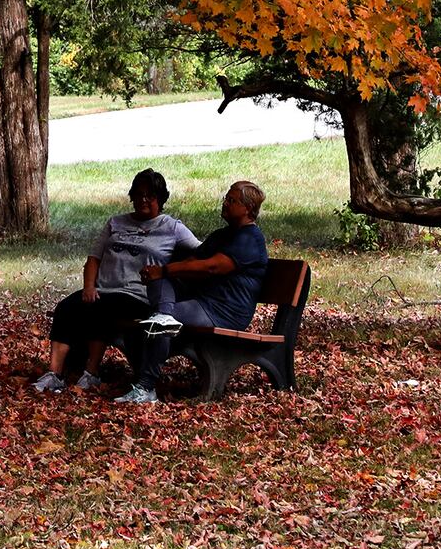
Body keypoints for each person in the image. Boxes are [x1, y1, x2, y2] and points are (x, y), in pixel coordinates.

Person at [30, 168, 200, 393]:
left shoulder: (172, 228)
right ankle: (55, 373)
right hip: (103, 290)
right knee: (66, 308)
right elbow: (94, 258)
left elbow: (201, 251)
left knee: (101, 310)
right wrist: (89, 286)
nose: (143, 200)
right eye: (138, 194)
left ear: (161, 198)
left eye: (149, 195)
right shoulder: (116, 223)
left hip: (138, 296)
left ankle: (91, 374)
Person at [114, 179, 269, 405]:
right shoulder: (221, 235)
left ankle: (146, 388)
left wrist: (166, 270)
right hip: (202, 301)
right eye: (226, 198)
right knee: (161, 288)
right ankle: (164, 316)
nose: (225, 203)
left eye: (231, 200)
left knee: (160, 313)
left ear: (247, 209)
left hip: (224, 311)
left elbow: (211, 266)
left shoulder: (250, 240)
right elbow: (194, 260)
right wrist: (162, 273)